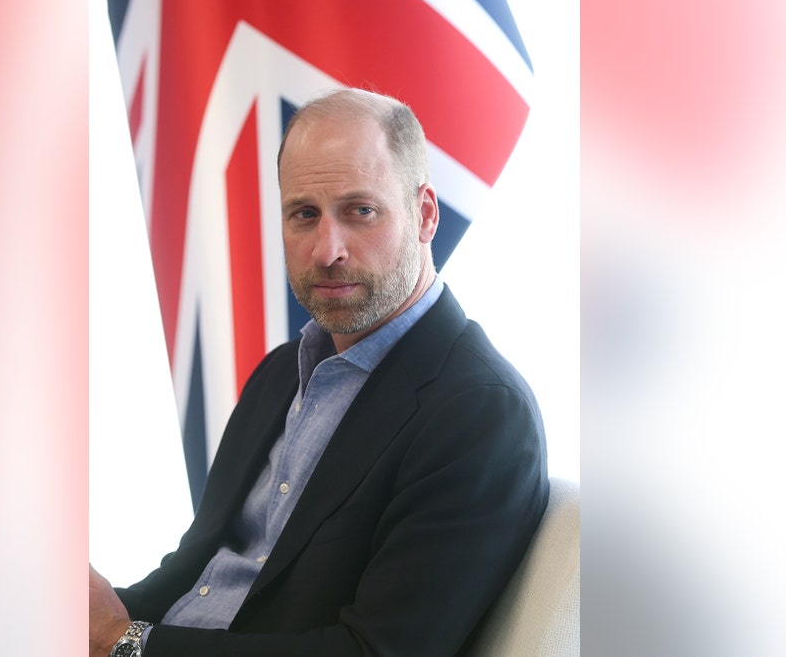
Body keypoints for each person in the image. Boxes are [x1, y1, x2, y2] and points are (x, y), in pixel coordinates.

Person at [90, 88, 548, 657]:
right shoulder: (282, 373)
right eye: (304, 214)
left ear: (425, 214)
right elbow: (197, 571)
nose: (327, 249)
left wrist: (121, 643)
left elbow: (376, 652)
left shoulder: (481, 412)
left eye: (360, 211)